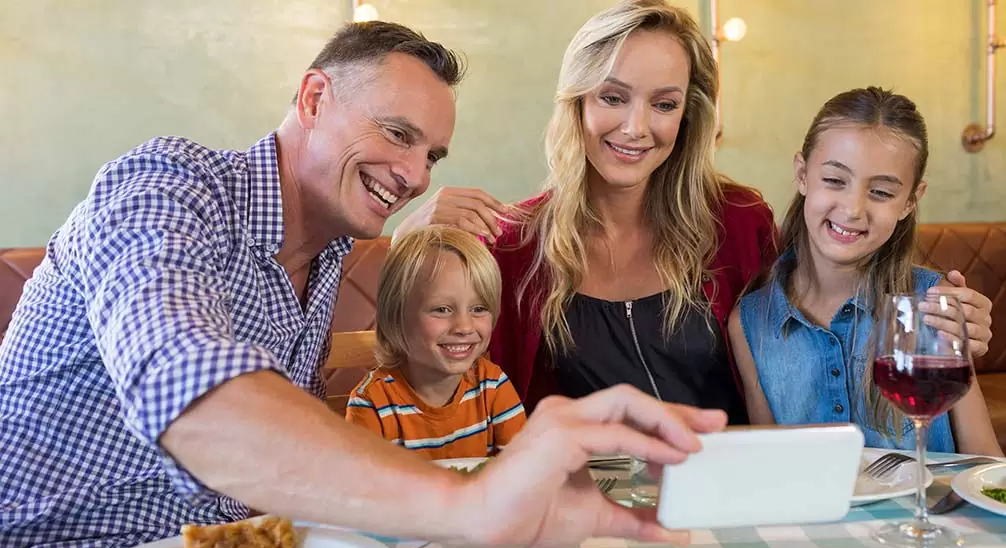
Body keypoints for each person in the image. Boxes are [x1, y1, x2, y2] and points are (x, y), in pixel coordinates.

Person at [0, 20, 722, 548]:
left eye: (431, 154)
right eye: (397, 134)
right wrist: (467, 502)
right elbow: (191, 396)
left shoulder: (331, 249)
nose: (414, 176)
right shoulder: (167, 186)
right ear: (314, 97)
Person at [394, 0, 996, 418]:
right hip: (583, 498)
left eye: (663, 103)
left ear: (688, 114)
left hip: (727, 489)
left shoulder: (737, 218)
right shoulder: (513, 242)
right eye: (612, 96)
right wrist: (410, 242)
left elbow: (819, 311)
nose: (636, 127)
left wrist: (944, 320)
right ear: (577, 103)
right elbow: (449, 374)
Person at [727, 87, 1002, 456]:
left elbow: (984, 462)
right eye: (835, 180)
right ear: (803, 174)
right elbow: (771, 463)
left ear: (910, 201)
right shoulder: (749, 322)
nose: (853, 209)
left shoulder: (932, 303)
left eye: (882, 192)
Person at [346, 226, 526, 459]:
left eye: (479, 309)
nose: (464, 327)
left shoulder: (493, 386)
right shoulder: (372, 404)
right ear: (396, 317)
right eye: (441, 310)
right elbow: (367, 490)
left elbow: (524, 472)